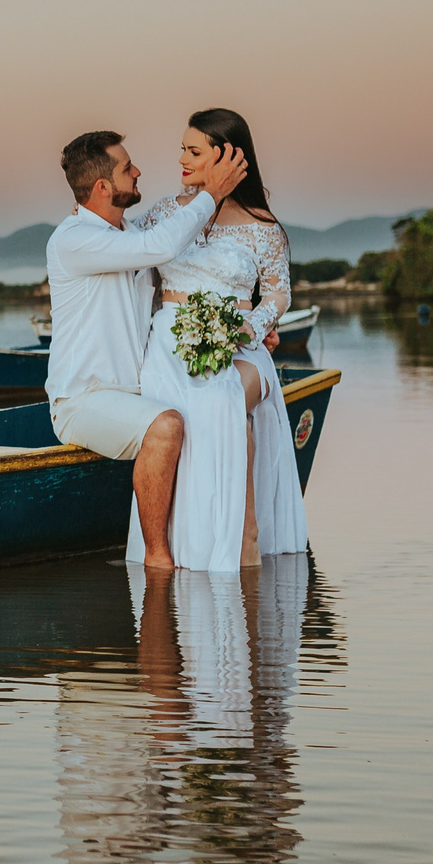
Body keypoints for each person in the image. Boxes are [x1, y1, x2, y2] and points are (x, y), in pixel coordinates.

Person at [46, 128, 252, 572]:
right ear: (103, 187)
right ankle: (157, 559)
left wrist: (246, 323)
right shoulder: (74, 239)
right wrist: (211, 194)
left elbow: (181, 284)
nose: (138, 172)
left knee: (207, 412)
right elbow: (157, 247)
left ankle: (211, 543)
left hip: (136, 393)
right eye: (126, 168)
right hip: (84, 401)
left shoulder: (131, 233)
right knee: (167, 427)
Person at [121, 108, 310, 571]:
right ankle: (183, 549)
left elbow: (280, 293)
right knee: (176, 420)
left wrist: (251, 326)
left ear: (227, 156)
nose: (182, 159)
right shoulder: (165, 212)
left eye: (194, 150)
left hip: (239, 347)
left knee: (222, 401)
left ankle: (242, 541)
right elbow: (125, 249)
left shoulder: (263, 226)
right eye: (182, 149)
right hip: (169, 348)